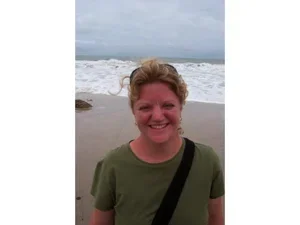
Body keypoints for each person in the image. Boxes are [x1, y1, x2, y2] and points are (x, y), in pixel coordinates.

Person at [89, 58, 224, 225]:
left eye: (168, 105)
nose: (158, 116)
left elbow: (216, 219)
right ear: (133, 110)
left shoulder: (207, 161)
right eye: (145, 107)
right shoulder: (112, 165)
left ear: (180, 106)